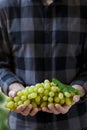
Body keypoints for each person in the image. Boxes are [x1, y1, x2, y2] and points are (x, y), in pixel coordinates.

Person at [0, 0, 87, 130]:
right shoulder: (6, 6)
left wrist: (77, 90)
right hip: (23, 125)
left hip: (75, 123)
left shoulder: (83, 6)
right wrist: (13, 86)